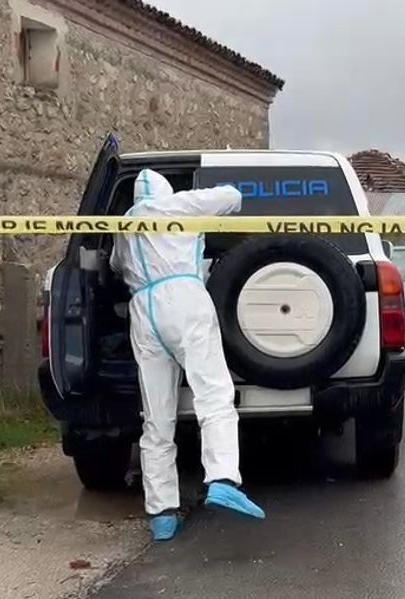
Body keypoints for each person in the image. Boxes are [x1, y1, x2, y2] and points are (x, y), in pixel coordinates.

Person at [110, 169, 265, 543]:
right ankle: (222, 478)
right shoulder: (178, 205)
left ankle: (161, 514)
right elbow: (231, 197)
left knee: (156, 418)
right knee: (213, 394)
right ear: (165, 191)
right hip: (184, 299)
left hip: (142, 310)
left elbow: (115, 265)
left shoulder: (123, 226)